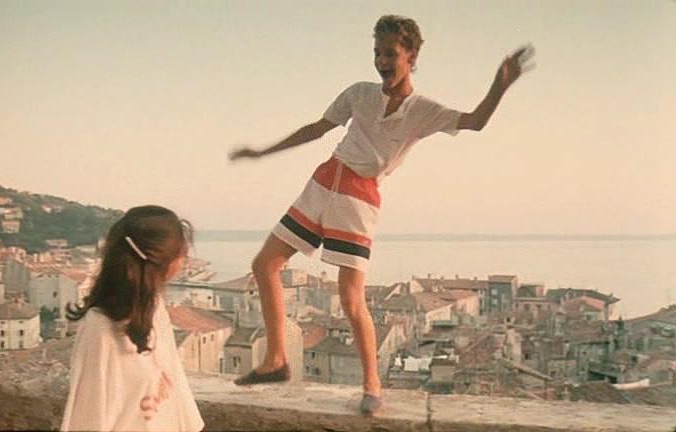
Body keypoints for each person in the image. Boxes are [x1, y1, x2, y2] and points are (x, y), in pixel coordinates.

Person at [229, 15, 535, 416]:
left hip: (358, 199)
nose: (381, 61)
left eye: (390, 53)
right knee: (264, 264)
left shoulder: (421, 110)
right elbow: (316, 128)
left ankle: (373, 386)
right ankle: (276, 360)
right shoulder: (359, 93)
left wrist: (501, 84)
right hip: (322, 182)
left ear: (411, 56)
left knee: (350, 298)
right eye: (377, 53)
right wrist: (261, 152)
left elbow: (475, 122)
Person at [61, 205, 205, 431]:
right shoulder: (100, 328)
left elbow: (176, 383)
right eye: (181, 254)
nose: (184, 261)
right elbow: (88, 417)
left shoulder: (155, 308)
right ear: (160, 261)